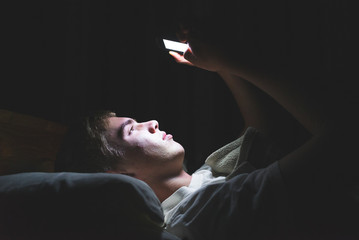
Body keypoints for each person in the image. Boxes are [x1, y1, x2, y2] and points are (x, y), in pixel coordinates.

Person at [55, 25, 358, 239]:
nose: (153, 123)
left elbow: (257, 132)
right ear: (120, 176)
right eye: (131, 130)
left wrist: (221, 67)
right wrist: (235, 61)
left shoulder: (201, 183)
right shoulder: (202, 214)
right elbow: (345, 138)